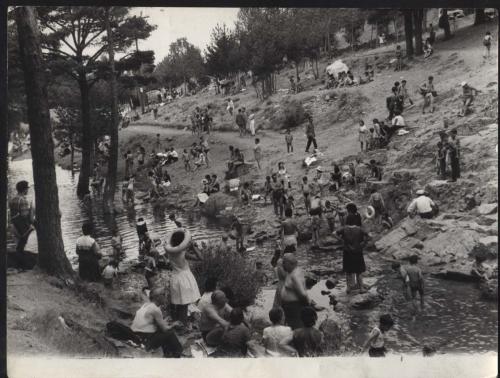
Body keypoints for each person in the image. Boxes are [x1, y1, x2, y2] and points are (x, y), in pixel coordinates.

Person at [131, 288, 184, 358]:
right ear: (157, 297)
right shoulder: (155, 309)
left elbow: (150, 323)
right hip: (144, 340)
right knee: (169, 333)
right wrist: (174, 324)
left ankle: (169, 353)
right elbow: (164, 329)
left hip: (136, 336)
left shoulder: (146, 305)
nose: (166, 297)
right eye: (164, 295)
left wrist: (164, 321)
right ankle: (177, 353)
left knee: (164, 333)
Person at [163, 228, 202, 326]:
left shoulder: (170, 251)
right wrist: (193, 247)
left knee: (178, 303)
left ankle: (179, 322)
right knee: (184, 305)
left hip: (175, 278)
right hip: (184, 278)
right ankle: (183, 325)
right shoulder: (182, 253)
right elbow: (200, 258)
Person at [336, 211, 368, 293]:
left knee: (348, 271)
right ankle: (361, 288)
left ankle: (348, 288)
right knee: (359, 271)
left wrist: (341, 240)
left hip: (347, 252)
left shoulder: (344, 228)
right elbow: (369, 236)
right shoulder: (359, 229)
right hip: (357, 252)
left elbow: (334, 233)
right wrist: (364, 243)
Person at [280, 254, 312, 330]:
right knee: (291, 328)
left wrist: (307, 305)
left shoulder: (295, 275)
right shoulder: (290, 272)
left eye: (284, 262)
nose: (282, 264)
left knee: (297, 328)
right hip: (290, 308)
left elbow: (303, 294)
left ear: (290, 263)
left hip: (295, 308)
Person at [9, 180, 35, 255]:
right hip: (22, 227)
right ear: (24, 189)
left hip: (14, 226)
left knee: (19, 246)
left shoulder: (13, 199)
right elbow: (25, 216)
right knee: (22, 245)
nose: (28, 190)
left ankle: (18, 260)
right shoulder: (23, 200)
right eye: (27, 188)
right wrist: (31, 210)